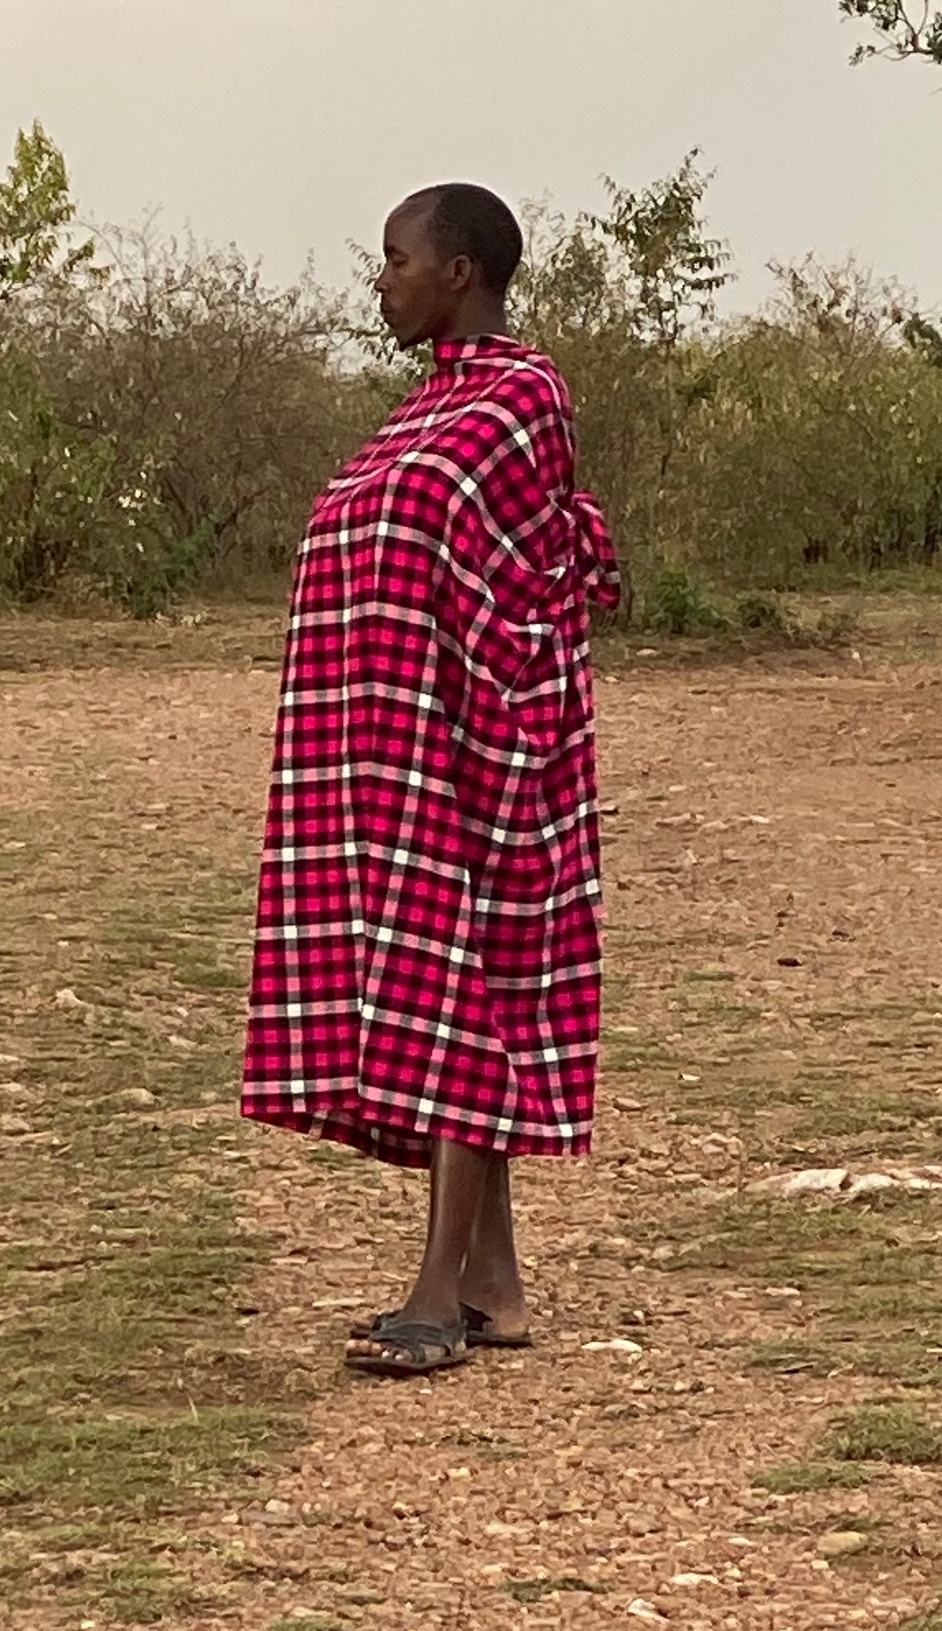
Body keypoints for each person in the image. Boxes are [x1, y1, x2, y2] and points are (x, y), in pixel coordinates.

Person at [240, 182, 619, 1377]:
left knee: (461, 1000)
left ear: (461, 272)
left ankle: (435, 1292)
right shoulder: (422, 410)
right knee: (450, 992)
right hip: (387, 760)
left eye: (396, 259)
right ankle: (493, 1288)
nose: (382, 280)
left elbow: (524, 579)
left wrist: (474, 728)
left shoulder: (523, 397)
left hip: (487, 754)